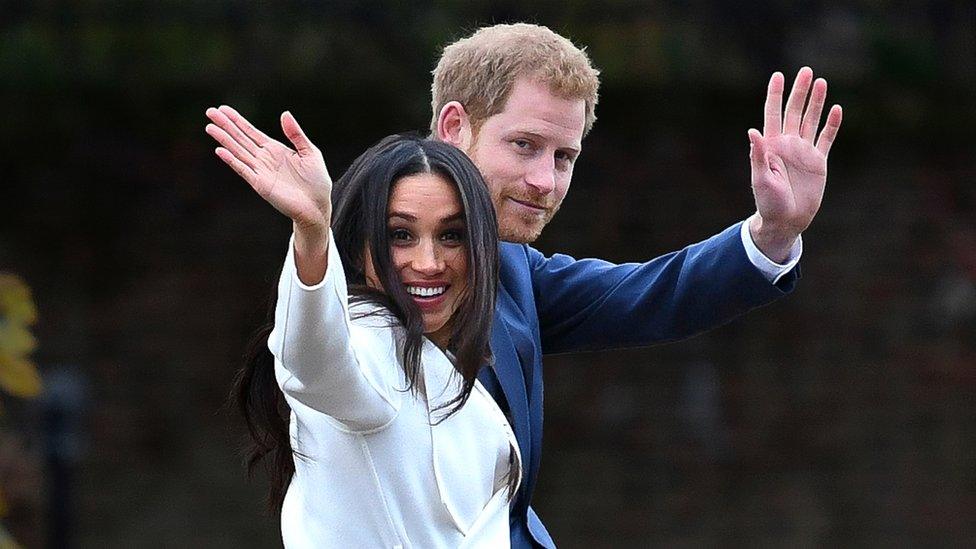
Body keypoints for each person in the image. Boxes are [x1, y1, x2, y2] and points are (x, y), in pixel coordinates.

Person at [425, 23, 843, 548]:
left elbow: (650, 295)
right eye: (524, 145)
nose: (545, 182)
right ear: (454, 127)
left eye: (564, 157)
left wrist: (773, 232)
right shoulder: (352, 262)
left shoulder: (513, 268)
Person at [204, 111, 520, 547]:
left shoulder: (446, 361)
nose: (429, 263)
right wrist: (313, 234)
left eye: (451, 236)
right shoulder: (371, 342)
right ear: (359, 244)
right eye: (401, 235)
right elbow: (315, 360)